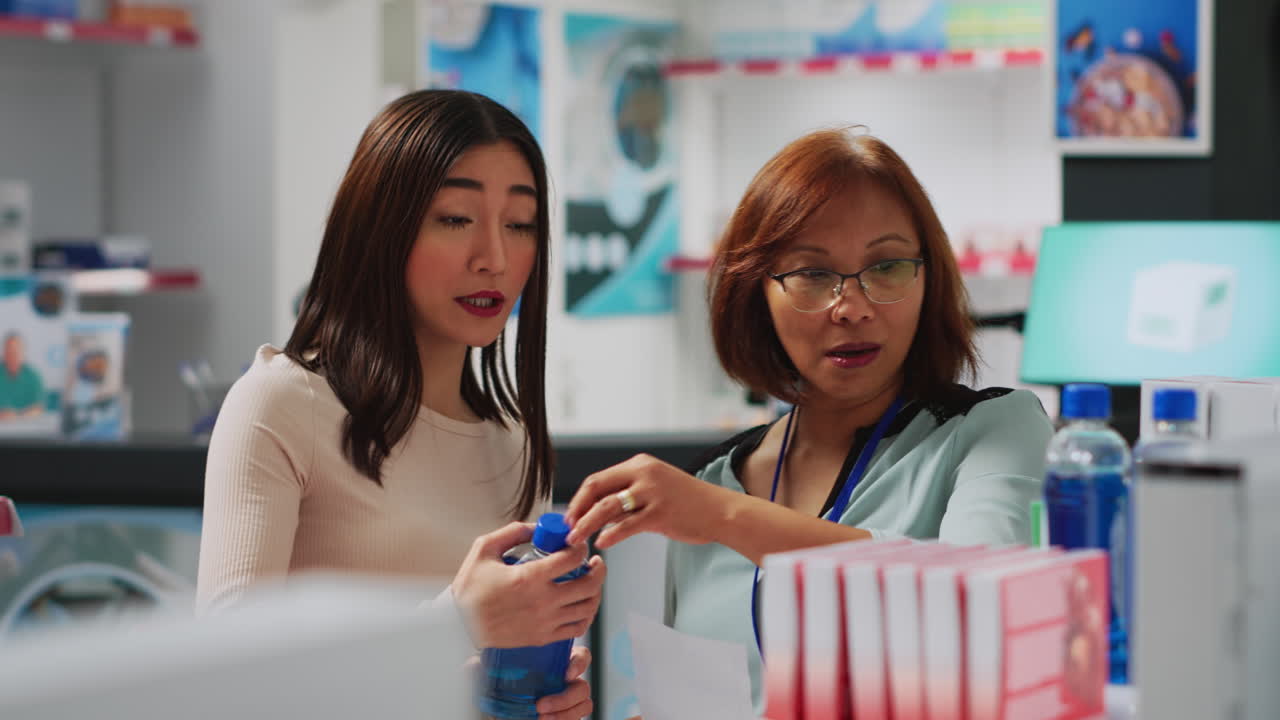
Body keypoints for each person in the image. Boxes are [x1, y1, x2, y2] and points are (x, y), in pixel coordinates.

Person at [564, 128, 1053, 708]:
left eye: (888, 266)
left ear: (928, 277)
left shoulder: (994, 431)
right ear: (755, 296)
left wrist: (726, 518)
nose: (852, 307)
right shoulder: (713, 483)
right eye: (813, 275)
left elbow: (978, 607)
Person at [197, 90, 602, 720]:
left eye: (520, 225)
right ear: (380, 228)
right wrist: (457, 622)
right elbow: (224, 689)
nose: (493, 258)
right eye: (454, 218)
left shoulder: (513, 443)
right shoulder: (281, 405)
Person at [0, 332, 44, 420]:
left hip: (26, 428)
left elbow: (38, 408)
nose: (13, 354)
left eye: (16, 350)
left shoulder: (33, 376)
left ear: (23, 352)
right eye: (9, 350)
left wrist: (17, 416)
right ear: (4, 352)